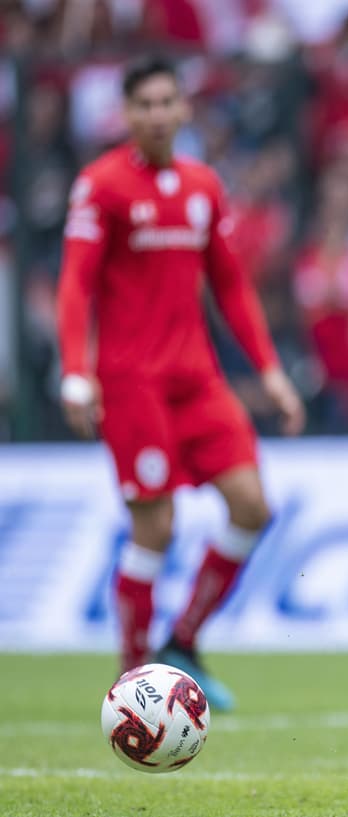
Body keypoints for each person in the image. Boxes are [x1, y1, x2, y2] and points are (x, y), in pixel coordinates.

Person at [56, 56, 305, 712]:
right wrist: (76, 372)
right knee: (155, 527)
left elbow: (229, 283)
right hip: (130, 380)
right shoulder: (101, 186)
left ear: (184, 108)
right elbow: (76, 283)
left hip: (197, 377)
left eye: (168, 102)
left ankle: (184, 642)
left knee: (253, 505)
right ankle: (132, 681)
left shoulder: (201, 185)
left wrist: (270, 372)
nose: (158, 114)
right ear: (127, 114)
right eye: (145, 104)